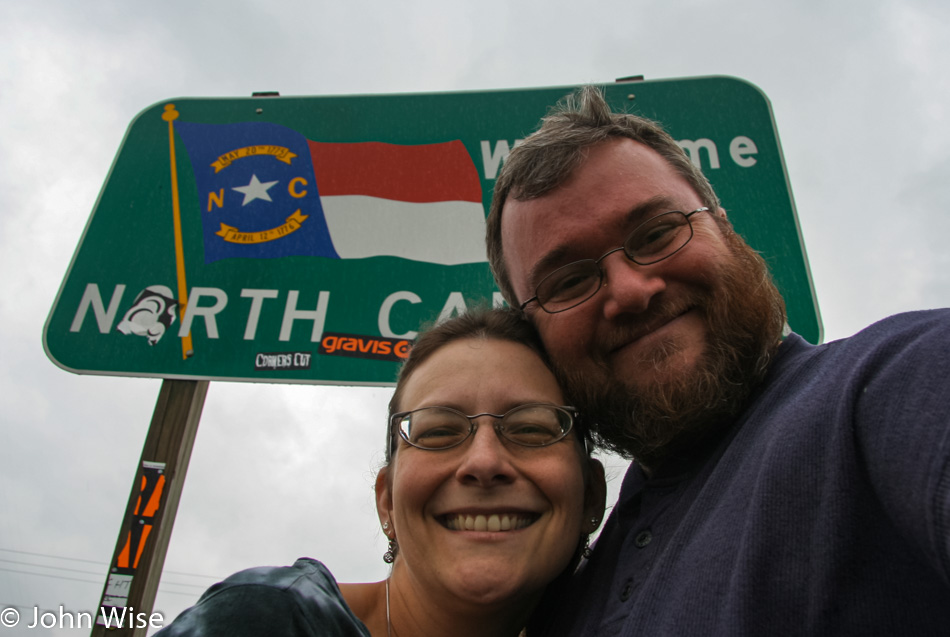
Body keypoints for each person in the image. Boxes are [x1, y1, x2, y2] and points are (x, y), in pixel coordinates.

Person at [487, 86, 950, 635]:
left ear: (725, 230)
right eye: (568, 282)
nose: (631, 290)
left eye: (658, 232)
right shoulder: (558, 593)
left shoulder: (892, 383)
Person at [156, 308, 607, 637]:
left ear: (590, 496)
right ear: (386, 500)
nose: (484, 463)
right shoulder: (274, 621)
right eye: (437, 432)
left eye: (531, 429)